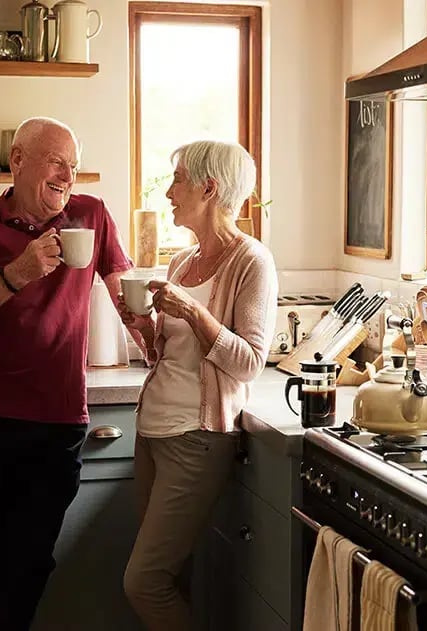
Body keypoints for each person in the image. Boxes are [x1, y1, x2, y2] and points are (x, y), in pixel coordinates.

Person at [0, 116, 137, 631]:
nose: (68, 175)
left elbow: (125, 296)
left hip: (55, 424)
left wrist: (163, 339)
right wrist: (16, 274)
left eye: (73, 165)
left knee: (26, 567)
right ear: (17, 160)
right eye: (56, 162)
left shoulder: (90, 216)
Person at [120, 140, 278, 630]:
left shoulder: (252, 262)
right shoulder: (182, 264)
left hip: (197, 439)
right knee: (170, 578)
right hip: (153, 434)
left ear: (210, 189)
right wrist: (142, 327)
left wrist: (192, 310)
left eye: (179, 181)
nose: (169, 192)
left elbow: (250, 361)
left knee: (143, 582)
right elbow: (168, 357)